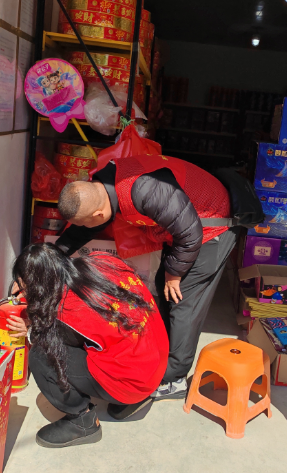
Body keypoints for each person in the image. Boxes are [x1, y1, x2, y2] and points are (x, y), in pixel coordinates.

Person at [55, 154, 238, 419]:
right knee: (162, 293)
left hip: (210, 228)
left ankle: (173, 379)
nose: (84, 227)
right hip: (184, 227)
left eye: (85, 221)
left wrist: (175, 274)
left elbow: (191, 233)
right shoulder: (103, 186)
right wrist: (50, 258)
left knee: (182, 302)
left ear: (98, 214)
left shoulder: (145, 190)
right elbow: (81, 231)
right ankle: (159, 361)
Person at [5, 243, 169, 448]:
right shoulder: (103, 260)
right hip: (156, 364)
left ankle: (82, 422)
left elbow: (52, 336)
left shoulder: (67, 312)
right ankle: (133, 400)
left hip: (133, 384)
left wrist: (31, 331)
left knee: (41, 354)